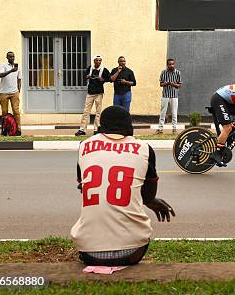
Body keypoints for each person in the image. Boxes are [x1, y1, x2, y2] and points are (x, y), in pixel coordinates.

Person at [70, 106, 175, 266]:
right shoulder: (145, 149)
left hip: (89, 252)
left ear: (100, 128)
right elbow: (147, 196)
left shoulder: (84, 146)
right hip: (132, 251)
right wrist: (150, 201)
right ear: (130, 127)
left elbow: (83, 186)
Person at [76, 55, 111, 136]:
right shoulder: (90, 68)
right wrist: (88, 76)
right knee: (86, 111)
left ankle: (96, 129)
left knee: (98, 112)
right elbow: (85, 75)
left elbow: (110, 78)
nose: (98, 62)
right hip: (90, 93)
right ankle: (82, 130)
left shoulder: (103, 70)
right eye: (97, 60)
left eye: (100, 60)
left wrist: (104, 79)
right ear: (94, 61)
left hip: (99, 93)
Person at [0, 51, 22, 135]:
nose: (12, 58)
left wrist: (19, 90)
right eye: (10, 57)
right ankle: (4, 130)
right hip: (3, 92)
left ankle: (18, 130)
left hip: (14, 92)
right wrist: (11, 70)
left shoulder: (17, 67)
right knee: (4, 112)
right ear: (7, 58)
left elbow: (19, 79)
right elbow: (1, 75)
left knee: (16, 111)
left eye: (13, 56)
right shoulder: (3, 65)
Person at [156, 58, 182, 134]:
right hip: (165, 95)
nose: (171, 65)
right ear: (167, 65)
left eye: (172, 64)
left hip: (174, 96)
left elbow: (179, 85)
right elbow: (161, 84)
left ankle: (174, 129)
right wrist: (167, 83)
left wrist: (173, 84)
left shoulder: (178, 73)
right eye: (170, 64)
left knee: (174, 112)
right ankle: (160, 129)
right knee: (163, 112)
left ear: (174, 64)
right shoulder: (163, 72)